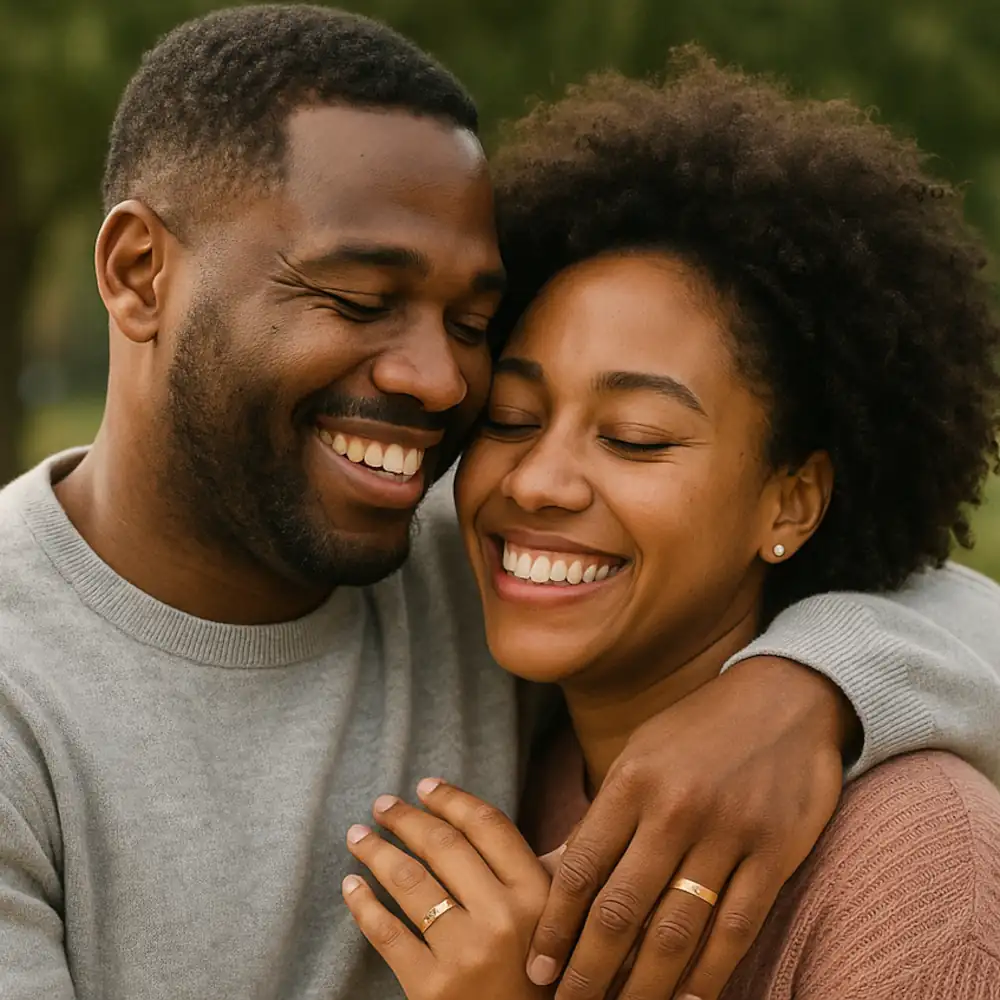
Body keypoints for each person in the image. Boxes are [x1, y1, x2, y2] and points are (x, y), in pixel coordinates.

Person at [0, 8, 997, 999]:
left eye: (473, 322)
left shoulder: (459, 561)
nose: (439, 383)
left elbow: (943, 601)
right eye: (355, 300)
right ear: (140, 274)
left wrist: (801, 691)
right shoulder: (27, 693)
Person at [339, 53, 1000, 1000]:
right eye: (512, 419)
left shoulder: (920, 868)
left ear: (792, 502)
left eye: (637, 438)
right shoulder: (517, 751)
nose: (538, 480)